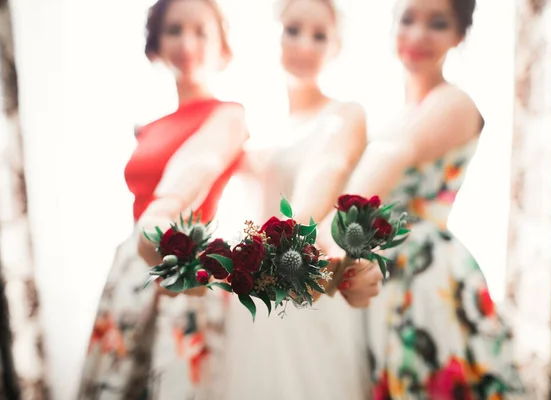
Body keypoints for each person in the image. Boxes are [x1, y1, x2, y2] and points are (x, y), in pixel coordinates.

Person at [321, 0, 525, 398]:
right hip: (381, 274)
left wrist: (330, 239)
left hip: (425, 272)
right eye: (408, 19)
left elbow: (390, 156)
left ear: (459, 35)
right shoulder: (393, 115)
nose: (417, 35)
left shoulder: (454, 103)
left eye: (437, 23)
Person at [196, 0, 382, 398]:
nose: (304, 45)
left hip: (311, 287)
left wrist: (285, 239)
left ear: (336, 47)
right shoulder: (258, 132)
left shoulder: (346, 113)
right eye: (293, 30)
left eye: (319, 36)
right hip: (260, 295)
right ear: (276, 34)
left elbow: (327, 172)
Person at [77, 0, 249, 398]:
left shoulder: (228, 115)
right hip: (129, 269)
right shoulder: (148, 128)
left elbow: (201, 163)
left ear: (222, 45)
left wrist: (162, 214)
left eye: (200, 31)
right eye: (174, 30)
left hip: (184, 270)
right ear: (156, 44)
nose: (187, 43)